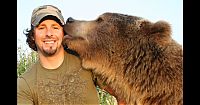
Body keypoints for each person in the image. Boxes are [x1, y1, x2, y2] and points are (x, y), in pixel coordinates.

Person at [17, 4, 126, 105]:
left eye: (55, 27)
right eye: (42, 28)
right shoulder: (24, 84)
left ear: (63, 33)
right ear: (32, 35)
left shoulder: (85, 60)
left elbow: (122, 96)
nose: (49, 33)